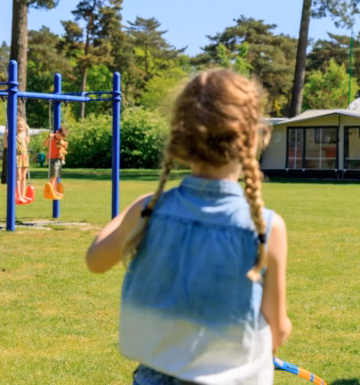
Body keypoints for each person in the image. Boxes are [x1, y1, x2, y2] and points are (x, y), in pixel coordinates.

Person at [86, 69, 291, 384]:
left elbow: (96, 260)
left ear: (181, 136)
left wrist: (136, 209)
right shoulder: (268, 227)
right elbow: (277, 329)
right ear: (252, 138)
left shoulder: (148, 211)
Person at [43, 126, 69, 200]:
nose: (60, 138)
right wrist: (48, 138)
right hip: (52, 158)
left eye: (62, 137)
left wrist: (62, 143)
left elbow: (64, 147)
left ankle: (54, 190)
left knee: (56, 176)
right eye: (60, 136)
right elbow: (44, 144)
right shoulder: (52, 137)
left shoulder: (61, 140)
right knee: (53, 176)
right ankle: (52, 191)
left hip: (58, 159)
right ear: (57, 132)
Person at [15, 117, 32, 204]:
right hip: (17, 157)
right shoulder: (14, 136)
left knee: (23, 177)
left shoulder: (23, 135)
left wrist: (27, 131)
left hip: (24, 157)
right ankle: (19, 196)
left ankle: (23, 194)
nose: (20, 128)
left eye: (22, 126)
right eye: (18, 126)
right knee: (18, 177)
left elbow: (28, 141)